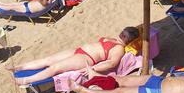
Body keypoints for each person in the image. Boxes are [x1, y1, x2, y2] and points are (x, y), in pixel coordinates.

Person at [10, 27, 140, 85]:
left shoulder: (119, 49)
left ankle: (25, 81)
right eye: (122, 33)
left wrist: (93, 69)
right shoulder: (113, 39)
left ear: (129, 40)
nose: (121, 35)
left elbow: (112, 63)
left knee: (54, 68)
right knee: (48, 60)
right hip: (77, 50)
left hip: (86, 58)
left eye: (125, 36)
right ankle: (20, 67)